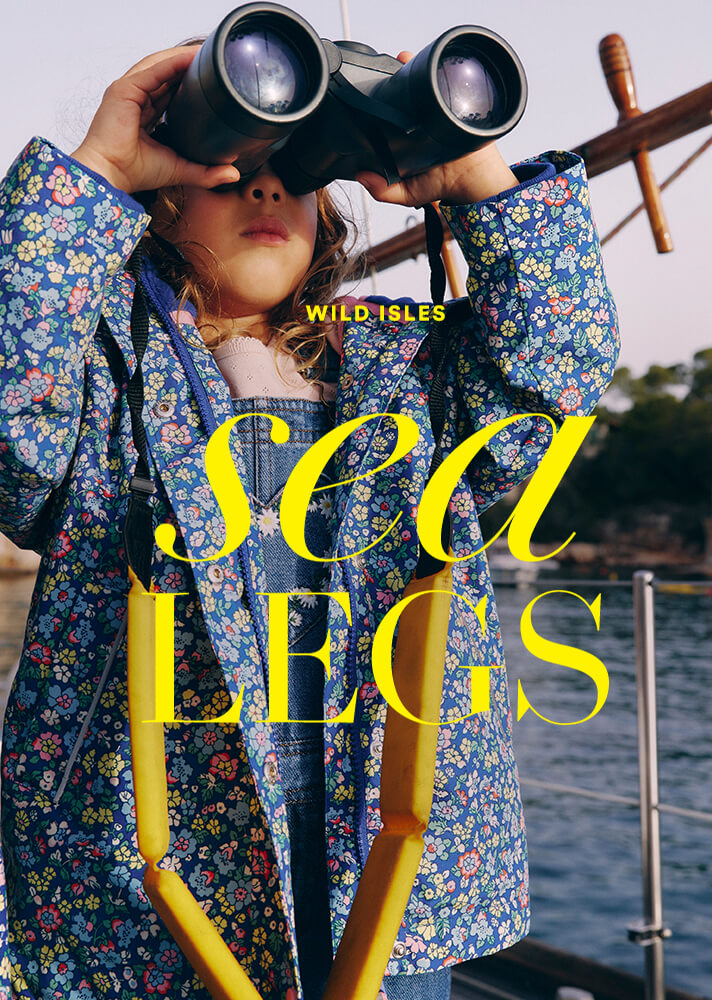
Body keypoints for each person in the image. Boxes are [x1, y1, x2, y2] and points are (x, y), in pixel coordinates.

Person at [0, 39, 619, 1000]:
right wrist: (96, 176)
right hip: (154, 866)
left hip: (386, 855)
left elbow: (553, 371)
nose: (265, 192)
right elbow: (12, 425)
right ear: (159, 205)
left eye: (294, 176)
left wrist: (478, 178)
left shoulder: (407, 379)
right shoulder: (100, 376)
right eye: (232, 171)